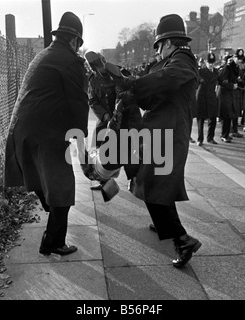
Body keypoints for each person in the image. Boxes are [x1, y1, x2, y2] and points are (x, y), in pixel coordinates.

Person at [110, 14, 202, 268]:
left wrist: (133, 84)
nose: (158, 51)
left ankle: (182, 239)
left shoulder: (182, 60)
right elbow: (152, 97)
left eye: (159, 46)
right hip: (160, 132)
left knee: (151, 183)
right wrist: (131, 94)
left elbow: (165, 80)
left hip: (167, 134)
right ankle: (164, 223)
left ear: (169, 42)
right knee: (154, 183)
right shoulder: (171, 62)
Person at [4, 12, 89, 257]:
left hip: (21, 131)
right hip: (46, 134)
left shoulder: (44, 55)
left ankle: (52, 225)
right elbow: (78, 103)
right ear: (74, 40)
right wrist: (81, 145)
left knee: (46, 185)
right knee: (62, 189)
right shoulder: (70, 60)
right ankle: (52, 242)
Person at [85, 51, 118, 191]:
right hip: (105, 120)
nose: (100, 69)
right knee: (98, 148)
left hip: (121, 118)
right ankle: (105, 181)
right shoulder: (93, 79)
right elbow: (92, 100)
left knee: (128, 151)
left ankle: (135, 179)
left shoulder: (116, 73)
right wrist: (104, 115)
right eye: (96, 67)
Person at [196, 52, 219, 146]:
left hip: (212, 97)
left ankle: (210, 138)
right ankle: (200, 139)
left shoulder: (216, 72)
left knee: (213, 118)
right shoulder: (201, 71)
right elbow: (196, 79)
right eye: (209, 63)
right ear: (206, 62)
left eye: (212, 63)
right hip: (202, 97)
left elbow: (221, 81)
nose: (211, 65)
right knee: (200, 119)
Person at [217, 53, 239, 142]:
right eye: (237, 58)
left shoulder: (234, 68)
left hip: (230, 94)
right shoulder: (227, 68)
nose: (239, 60)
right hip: (225, 94)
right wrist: (232, 86)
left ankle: (226, 134)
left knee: (229, 115)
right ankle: (224, 135)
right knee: (226, 115)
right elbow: (222, 81)